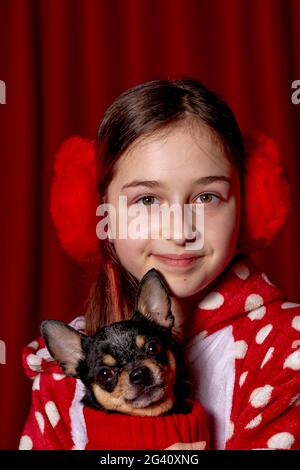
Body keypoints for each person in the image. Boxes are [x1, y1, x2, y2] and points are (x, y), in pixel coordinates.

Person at [19, 78, 300, 450]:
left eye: (207, 196)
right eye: (147, 200)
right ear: (97, 213)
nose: (181, 230)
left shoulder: (287, 349)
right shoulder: (60, 378)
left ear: (248, 206)